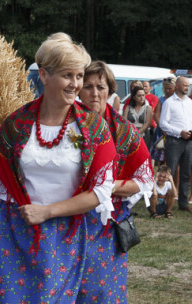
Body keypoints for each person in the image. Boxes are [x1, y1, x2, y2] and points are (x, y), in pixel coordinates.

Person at [0, 33, 116, 303]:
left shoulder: (94, 128)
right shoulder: (16, 124)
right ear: (44, 75)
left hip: (65, 237)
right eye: (67, 75)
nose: (75, 84)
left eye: (79, 75)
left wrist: (46, 212)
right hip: (12, 237)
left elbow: (101, 192)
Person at [77, 61, 154, 303]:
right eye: (87, 86)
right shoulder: (65, 125)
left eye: (100, 86)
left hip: (105, 224)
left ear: (111, 91)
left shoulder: (124, 131)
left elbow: (144, 179)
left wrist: (108, 187)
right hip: (66, 219)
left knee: (102, 292)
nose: (94, 93)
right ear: (78, 89)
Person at [159, 76, 192, 212]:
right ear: (177, 86)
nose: (187, 88)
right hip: (175, 141)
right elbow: (163, 123)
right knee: (169, 172)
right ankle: (165, 202)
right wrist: (179, 132)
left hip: (189, 141)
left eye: (188, 85)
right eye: (184, 85)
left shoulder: (189, 102)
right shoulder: (169, 102)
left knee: (186, 173)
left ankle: (183, 203)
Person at [150, 76, 176, 167]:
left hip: (175, 130)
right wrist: (163, 128)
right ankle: (162, 177)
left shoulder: (177, 100)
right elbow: (156, 115)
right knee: (161, 158)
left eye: (170, 89)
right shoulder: (161, 99)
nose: (167, 91)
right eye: (166, 89)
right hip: (162, 130)